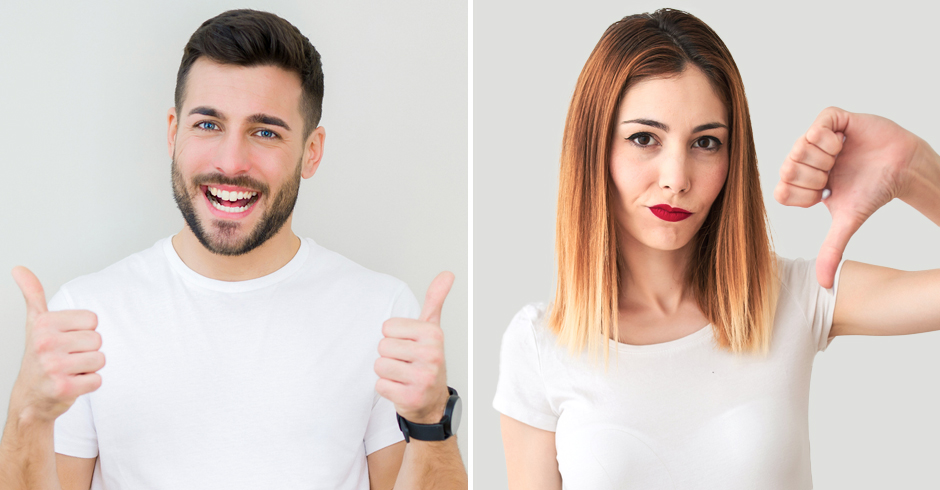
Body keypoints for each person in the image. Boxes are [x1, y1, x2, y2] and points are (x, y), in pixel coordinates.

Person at [0, 9, 466, 490]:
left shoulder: (382, 313)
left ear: (311, 152)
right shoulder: (87, 314)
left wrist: (432, 420)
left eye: (265, 132)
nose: (230, 162)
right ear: (172, 133)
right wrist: (26, 415)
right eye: (207, 125)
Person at [493, 9, 940, 489]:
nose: (677, 179)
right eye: (644, 138)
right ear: (594, 149)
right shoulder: (540, 345)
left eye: (706, 142)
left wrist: (914, 170)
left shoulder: (792, 297)